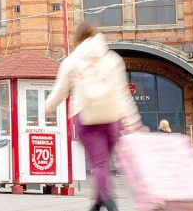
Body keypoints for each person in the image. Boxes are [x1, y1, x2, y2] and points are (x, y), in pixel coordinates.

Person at [44, 22, 142, 211]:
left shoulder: (72, 61)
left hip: (87, 116)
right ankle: (97, 202)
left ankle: (106, 198)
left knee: (98, 163)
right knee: (104, 162)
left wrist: (48, 107)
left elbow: (60, 90)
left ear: (78, 38)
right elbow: (123, 93)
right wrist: (132, 121)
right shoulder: (112, 59)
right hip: (112, 117)